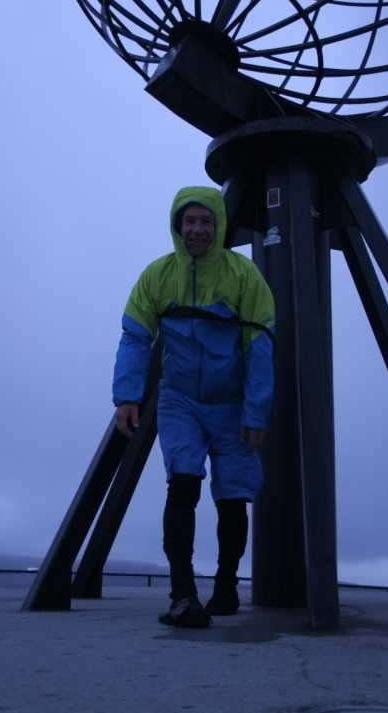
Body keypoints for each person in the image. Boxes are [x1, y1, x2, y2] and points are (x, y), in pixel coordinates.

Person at [112, 186, 275, 628]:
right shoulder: (157, 276)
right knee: (182, 486)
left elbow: (260, 346)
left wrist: (255, 413)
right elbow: (134, 336)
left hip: (232, 403)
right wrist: (127, 396)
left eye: (206, 222)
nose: (198, 230)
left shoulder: (244, 277)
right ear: (178, 226)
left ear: (218, 225)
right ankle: (182, 594)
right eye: (190, 222)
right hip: (179, 399)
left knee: (232, 498)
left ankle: (226, 585)